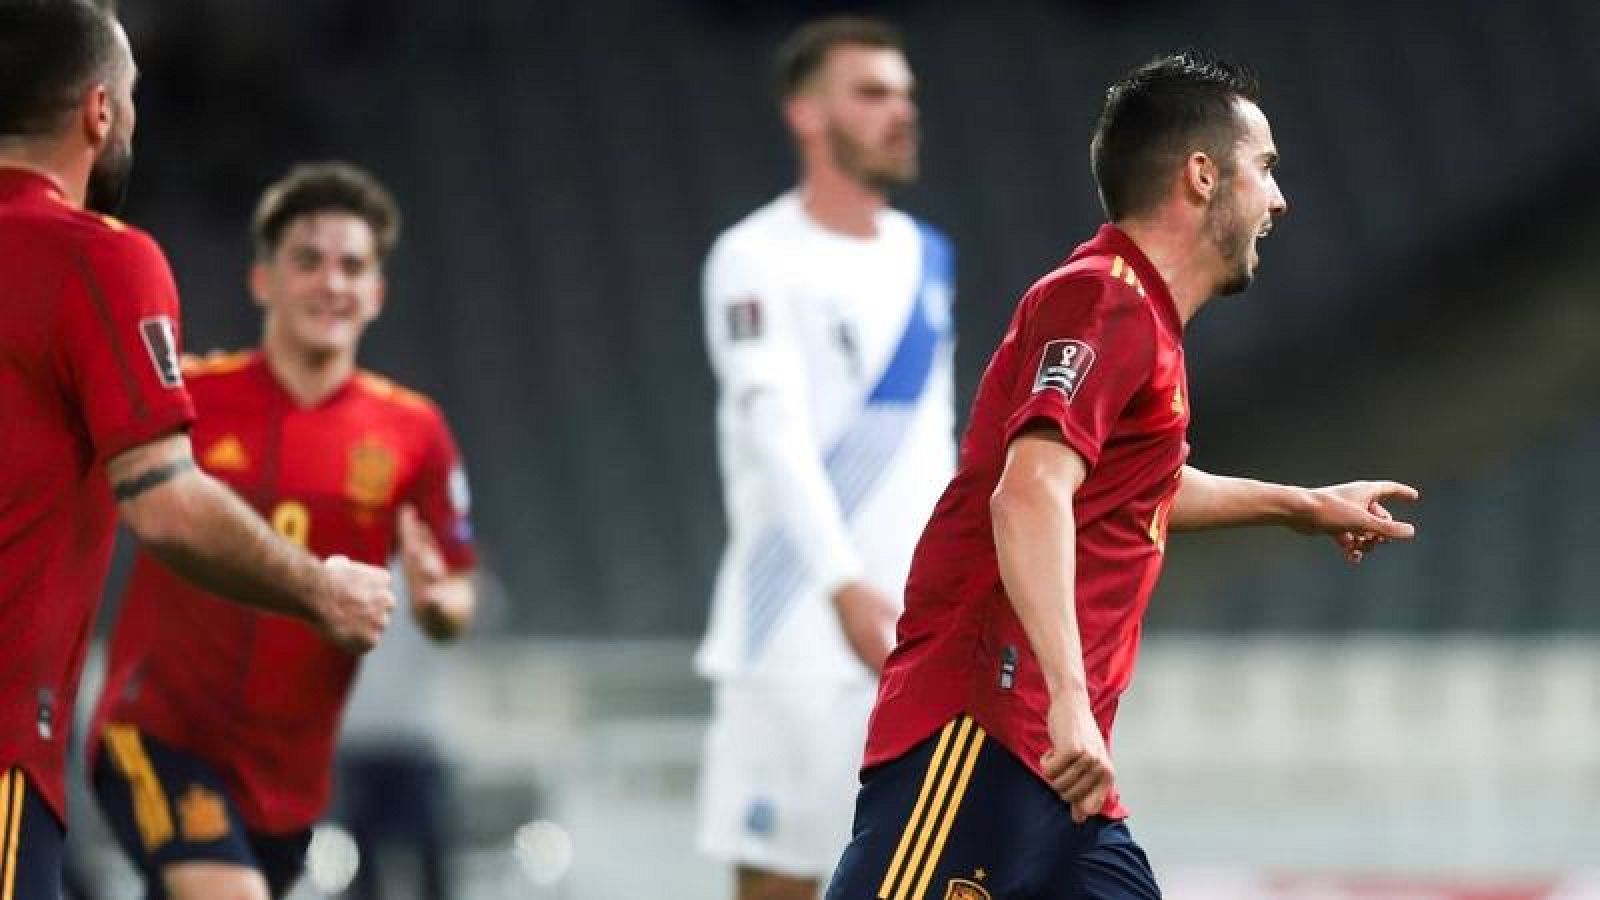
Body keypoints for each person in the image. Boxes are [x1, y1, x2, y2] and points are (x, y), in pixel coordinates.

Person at [825, 51, 1420, 900]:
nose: (1279, 199)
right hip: (984, 732)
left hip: (1065, 774)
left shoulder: (1140, 320)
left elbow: (1133, 487)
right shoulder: (1102, 303)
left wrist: (1301, 506)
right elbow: (1029, 490)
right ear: (1203, 174)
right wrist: (1069, 697)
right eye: (1267, 169)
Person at [0, 3, 393, 897]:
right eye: (133, 94)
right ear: (100, 111)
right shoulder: (94, 259)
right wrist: (321, 588)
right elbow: (165, 501)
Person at [86, 162, 478, 900]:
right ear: (263, 281)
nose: (332, 282)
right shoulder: (192, 401)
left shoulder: (414, 433)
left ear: (376, 294)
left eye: (352, 266)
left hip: (288, 777)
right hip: (159, 730)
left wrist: (435, 605)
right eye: (308, 260)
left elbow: (456, 590)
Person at [694, 16, 957, 900]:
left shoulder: (929, 259)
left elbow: (938, 447)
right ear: (807, 114)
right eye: (873, 93)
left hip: (916, 633)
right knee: (782, 882)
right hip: (795, 626)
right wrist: (844, 586)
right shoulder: (753, 256)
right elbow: (773, 430)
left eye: (907, 95)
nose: (900, 112)